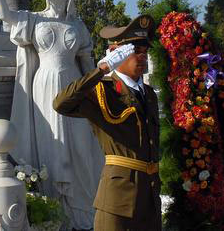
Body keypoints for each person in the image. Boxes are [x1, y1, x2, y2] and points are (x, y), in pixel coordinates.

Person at [0, 0, 103, 230]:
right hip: (44, 88)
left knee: (80, 148)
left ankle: (80, 211)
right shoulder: (34, 20)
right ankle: (53, 211)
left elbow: (88, 66)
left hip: (74, 88)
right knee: (51, 146)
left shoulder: (77, 27)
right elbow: (7, 16)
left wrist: (99, 97)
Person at [53, 15, 161, 231]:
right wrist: (101, 70)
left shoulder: (148, 94)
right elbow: (61, 104)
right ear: (116, 53)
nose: (141, 57)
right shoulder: (102, 90)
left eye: (144, 52)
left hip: (150, 198)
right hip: (118, 200)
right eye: (134, 52)